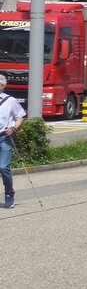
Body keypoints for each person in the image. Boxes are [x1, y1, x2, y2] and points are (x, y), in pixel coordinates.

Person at [0, 75, 28, 209]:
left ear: (2, 86)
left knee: (3, 167)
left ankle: (9, 194)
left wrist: (14, 128)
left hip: (3, 137)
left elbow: (20, 116)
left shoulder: (10, 101)